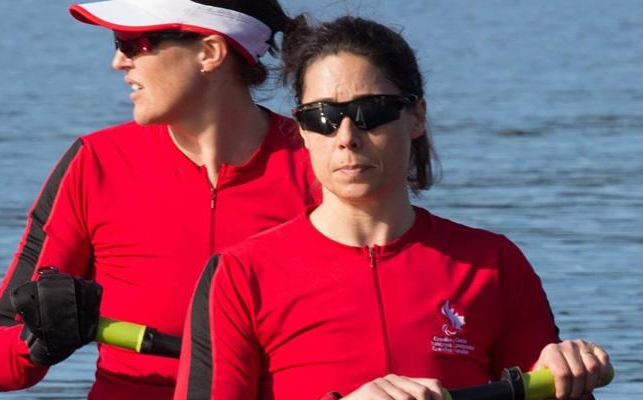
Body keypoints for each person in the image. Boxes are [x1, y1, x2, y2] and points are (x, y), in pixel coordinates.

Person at [174, 15, 613, 400]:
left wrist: (567, 376)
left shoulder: (494, 265)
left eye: (371, 111)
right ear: (303, 130)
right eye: (322, 116)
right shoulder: (238, 275)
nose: (346, 136)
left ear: (417, 116)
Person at [0, 0, 320, 398]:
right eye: (116, 43)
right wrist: (38, 339)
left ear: (210, 52)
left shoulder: (321, 163)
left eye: (133, 43)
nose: (119, 62)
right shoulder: (95, 164)